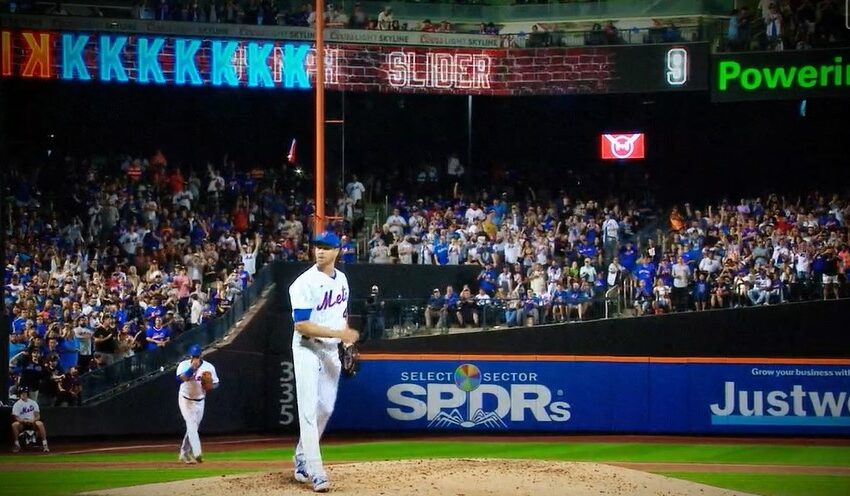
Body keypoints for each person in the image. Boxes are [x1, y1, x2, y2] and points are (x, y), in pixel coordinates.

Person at [288, 231, 359, 493]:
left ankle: (301, 455)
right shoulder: (302, 283)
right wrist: (340, 335)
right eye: (317, 247)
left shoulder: (342, 279)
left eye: (326, 248)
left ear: (337, 252)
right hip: (306, 347)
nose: (319, 251)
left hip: (331, 349)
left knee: (326, 408)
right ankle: (316, 471)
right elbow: (302, 325)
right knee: (307, 409)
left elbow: (341, 314)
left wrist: (347, 341)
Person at [175, 343, 219, 464]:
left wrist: (210, 386)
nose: (195, 358)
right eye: (193, 356)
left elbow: (216, 383)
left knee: (193, 427)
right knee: (191, 425)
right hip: (185, 399)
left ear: (201, 355)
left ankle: (184, 453)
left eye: (197, 356)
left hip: (200, 400)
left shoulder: (209, 367)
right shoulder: (184, 365)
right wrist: (192, 369)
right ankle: (197, 452)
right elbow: (179, 379)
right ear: (190, 356)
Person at [11, 387, 49, 453]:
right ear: (19, 394)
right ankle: (17, 444)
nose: (23, 394)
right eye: (22, 393)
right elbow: (16, 417)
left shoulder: (33, 402)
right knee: (14, 425)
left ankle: (45, 444)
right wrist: (23, 421)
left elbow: (38, 416)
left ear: (27, 394)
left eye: (25, 393)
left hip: (32, 422)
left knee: (40, 424)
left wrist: (33, 420)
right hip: (22, 423)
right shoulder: (17, 404)